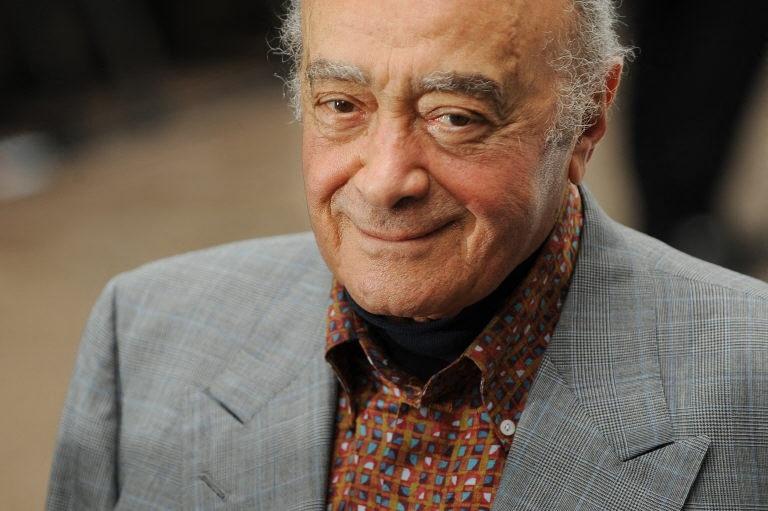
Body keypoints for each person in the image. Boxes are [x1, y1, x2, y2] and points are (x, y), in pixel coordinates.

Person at [47, 0, 768, 509]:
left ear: (587, 117)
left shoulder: (749, 379)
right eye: (341, 105)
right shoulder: (142, 335)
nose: (385, 179)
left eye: (455, 118)